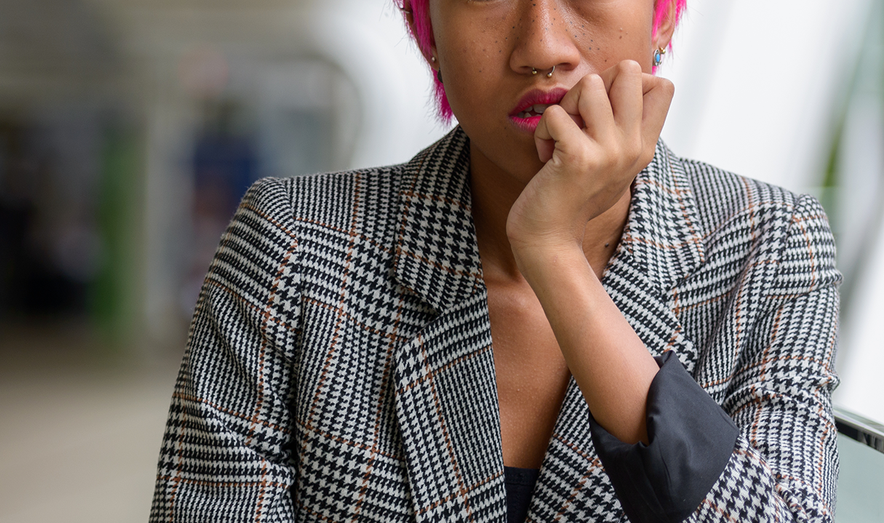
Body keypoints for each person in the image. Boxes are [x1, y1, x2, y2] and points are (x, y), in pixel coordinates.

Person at [149, 0, 840, 521]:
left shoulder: (770, 244)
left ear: (659, 18)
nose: (540, 46)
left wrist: (552, 257)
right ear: (429, 35)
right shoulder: (291, 246)